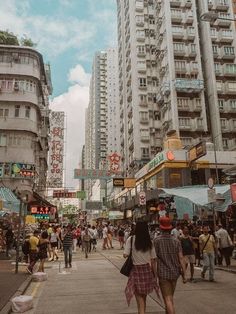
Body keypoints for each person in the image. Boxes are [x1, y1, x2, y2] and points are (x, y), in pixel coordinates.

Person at [124, 221, 158, 314]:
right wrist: (155, 275)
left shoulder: (131, 240)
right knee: (144, 298)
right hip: (147, 271)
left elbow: (125, 255)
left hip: (136, 271)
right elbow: (153, 260)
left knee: (139, 300)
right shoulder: (149, 242)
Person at [154, 216, 186, 314]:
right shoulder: (176, 241)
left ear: (160, 228)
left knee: (167, 299)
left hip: (163, 274)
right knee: (170, 298)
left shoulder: (156, 241)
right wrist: (184, 274)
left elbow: (154, 259)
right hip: (175, 273)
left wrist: (154, 275)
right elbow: (181, 258)